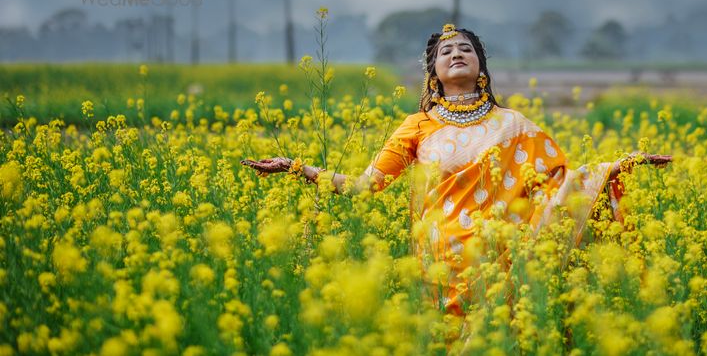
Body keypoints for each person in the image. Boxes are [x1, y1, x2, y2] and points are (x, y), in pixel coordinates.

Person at [242, 23, 672, 315]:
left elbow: (560, 183)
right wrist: (298, 168)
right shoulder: (417, 126)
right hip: (442, 263)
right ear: (434, 72)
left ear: (481, 65)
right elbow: (362, 186)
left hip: (505, 257)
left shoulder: (513, 124)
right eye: (446, 51)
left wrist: (616, 167)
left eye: (466, 48)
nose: (457, 53)